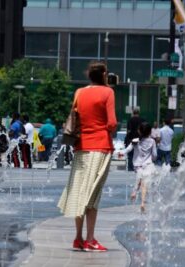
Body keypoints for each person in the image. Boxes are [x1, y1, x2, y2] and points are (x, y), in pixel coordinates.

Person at [58, 61, 117, 252]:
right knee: (93, 196)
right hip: (100, 147)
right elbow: (112, 123)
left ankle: (78, 238)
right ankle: (90, 239)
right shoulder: (108, 93)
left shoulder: (79, 92)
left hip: (81, 147)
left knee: (79, 193)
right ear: (104, 75)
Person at [119, 122, 157, 213]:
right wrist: (151, 158)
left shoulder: (135, 140)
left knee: (140, 179)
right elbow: (155, 155)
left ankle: (134, 192)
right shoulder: (152, 141)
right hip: (148, 164)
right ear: (149, 132)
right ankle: (142, 202)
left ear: (140, 131)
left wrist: (120, 153)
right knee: (144, 183)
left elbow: (127, 150)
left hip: (137, 165)